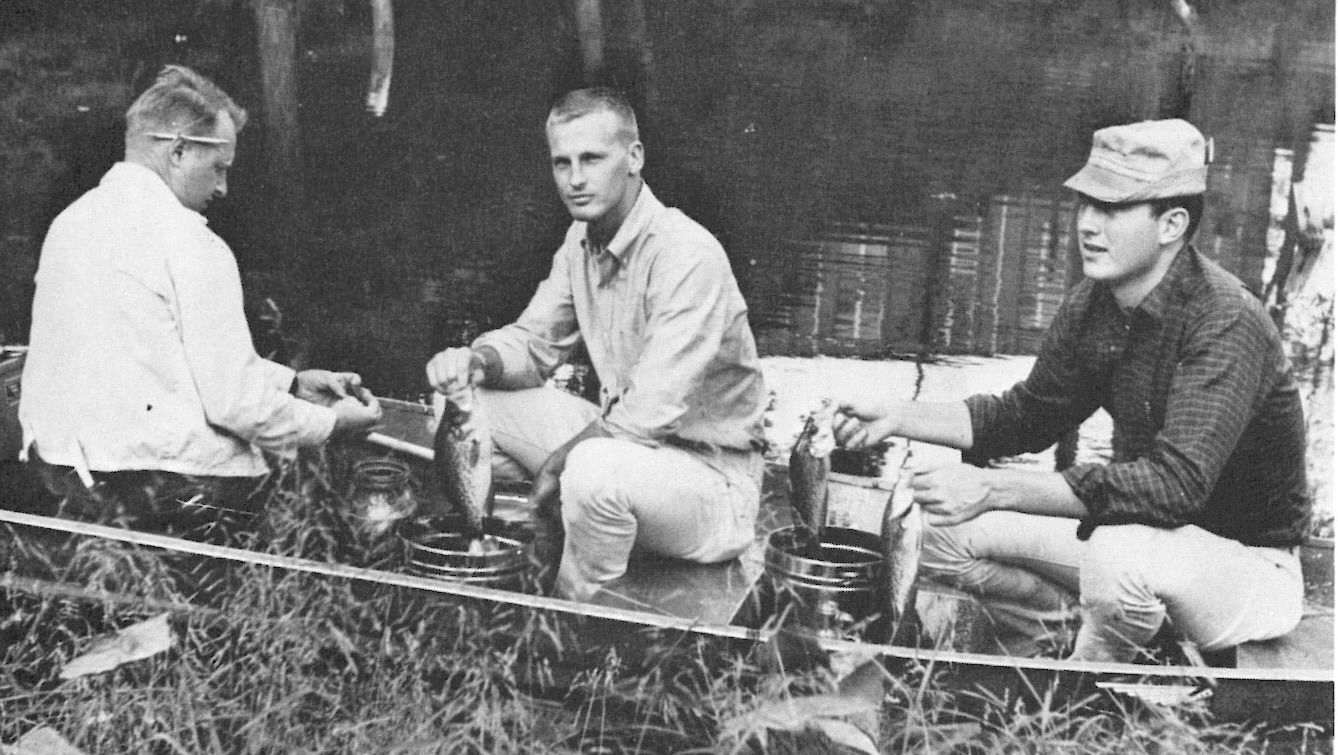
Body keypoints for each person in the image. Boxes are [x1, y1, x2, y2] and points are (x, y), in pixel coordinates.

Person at [834, 119, 1310, 662]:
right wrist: (896, 415)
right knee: (931, 530)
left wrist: (992, 489)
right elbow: (1024, 417)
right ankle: (1059, 629)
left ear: (1172, 224)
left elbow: (1174, 486)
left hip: (1248, 571)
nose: (1087, 224)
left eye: (1110, 209)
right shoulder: (1093, 307)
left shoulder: (1226, 320)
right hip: (1138, 542)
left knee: (1115, 551)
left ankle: (1084, 699)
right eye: (1085, 204)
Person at [425, 88, 768, 601]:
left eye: (592, 158)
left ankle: (577, 618)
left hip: (713, 484)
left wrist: (559, 464)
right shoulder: (580, 241)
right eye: (561, 163)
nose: (576, 179)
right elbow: (533, 345)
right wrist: (475, 362)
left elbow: (646, 414)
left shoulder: (687, 254)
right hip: (633, 457)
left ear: (634, 158)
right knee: (458, 406)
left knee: (590, 469)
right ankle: (542, 536)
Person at [19, 65, 382, 539]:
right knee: (315, 516)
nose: (223, 188)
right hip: (159, 489)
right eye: (219, 168)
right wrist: (330, 423)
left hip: (60, 473)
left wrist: (292, 383)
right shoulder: (191, 242)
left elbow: (156, 354)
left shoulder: (70, 223)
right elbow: (236, 405)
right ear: (179, 150)